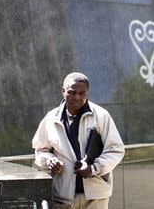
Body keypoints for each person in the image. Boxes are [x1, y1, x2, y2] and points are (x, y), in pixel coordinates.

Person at [32, 72, 125, 208]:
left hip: (96, 198)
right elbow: (40, 150)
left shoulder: (101, 116)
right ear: (63, 91)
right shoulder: (50, 119)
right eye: (72, 92)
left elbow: (116, 150)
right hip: (62, 198)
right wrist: (49, 160)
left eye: (82, 93)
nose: (77, 97)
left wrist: (94, 168)